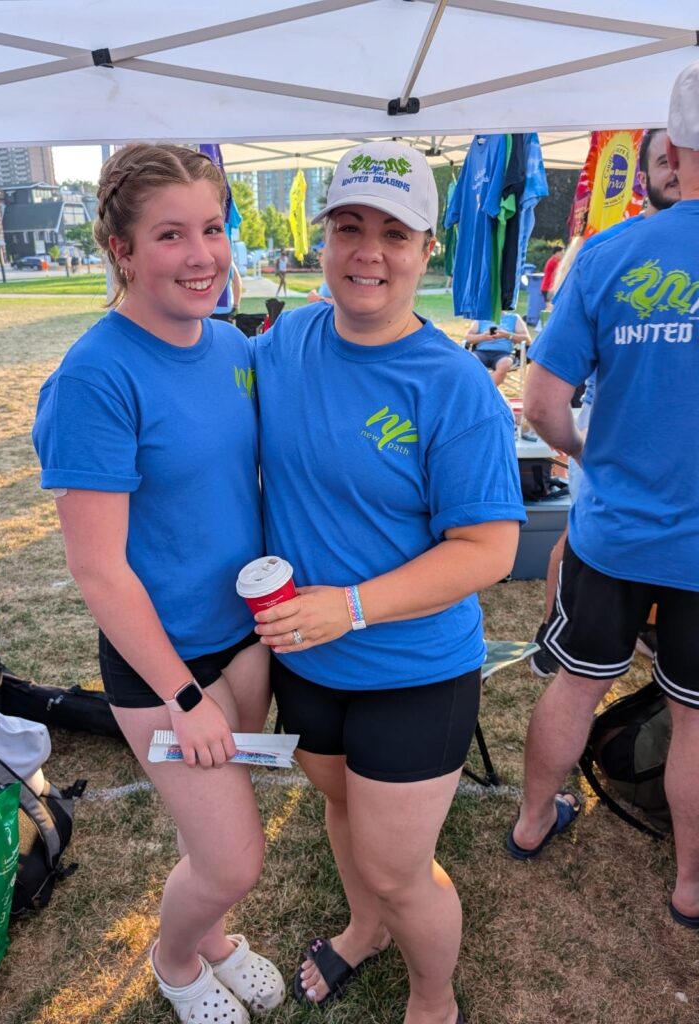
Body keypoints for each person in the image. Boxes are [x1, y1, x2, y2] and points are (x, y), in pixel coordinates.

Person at [254, 141, 526, 1024]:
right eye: (349, 226)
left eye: (394, 233)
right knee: (343, 816)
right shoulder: (285, 338)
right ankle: (362, 929)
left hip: (412, 667)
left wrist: (355, 607)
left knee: (400, 868)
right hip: (307, 660)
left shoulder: (453, 387)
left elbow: (487, 549)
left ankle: (433, 996)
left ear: (427, 248)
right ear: (323, 240)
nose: (368, 251)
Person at [32, 143, 284, 1024]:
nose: (202, 255)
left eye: (212, 228)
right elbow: (96, 566)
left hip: (245, 635)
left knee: (217, 824)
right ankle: (178, 960)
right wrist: (183, 697)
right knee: (232, 860)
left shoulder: (229, 345)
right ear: (121, 249)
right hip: (160, 663)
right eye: (170, 234)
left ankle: (212, 935)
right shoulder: (96, 377)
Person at [507, 63, 699, 934]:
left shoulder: (612, 253)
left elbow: (541, 404)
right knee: (695, 720)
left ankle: (531, 821)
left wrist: (595, 453)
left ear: (670, 149)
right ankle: (690, 885)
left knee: (576, 686)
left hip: (613, 529)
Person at [529, 126, 681, 678]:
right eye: (662, 161)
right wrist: (579, 448)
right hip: (614, 496)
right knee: (571, 554)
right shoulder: (605, 253)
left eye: (678, 159)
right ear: (642, 177)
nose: (674, 171)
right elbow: (546, 393)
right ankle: (553, 638)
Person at [464, 310, 531, 386]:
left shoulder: (514, 318)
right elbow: (468, 337)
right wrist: (483, 337)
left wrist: (507, 335)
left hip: (504, 354)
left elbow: (527, 340)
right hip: (481, 352)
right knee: (470, 361)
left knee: (505, 364)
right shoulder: (481, 318)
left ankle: (485, 390)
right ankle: (485, 391)